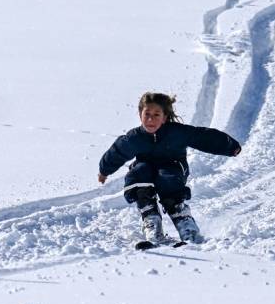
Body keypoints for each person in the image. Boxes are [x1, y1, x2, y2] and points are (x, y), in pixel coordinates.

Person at [98, 92, 241, 244]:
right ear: (140, 114)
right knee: (138, 172)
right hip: (146, 171)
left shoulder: (176, 132)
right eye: (147, 114)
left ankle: (184, 222)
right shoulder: (134, 138)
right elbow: (117, 152)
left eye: (156, 115)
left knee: (167, 177)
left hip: (173, 169)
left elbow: (202, 137)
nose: (150, 119)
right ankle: (151, 220)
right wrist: (104, 171)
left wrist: (229, 147)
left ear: (164, 117)